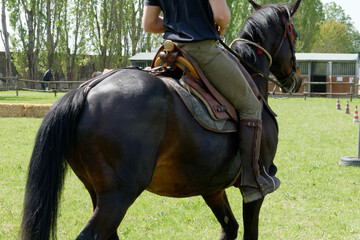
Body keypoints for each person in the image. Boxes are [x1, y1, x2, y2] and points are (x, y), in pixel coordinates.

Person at [142, 0, 280, 203]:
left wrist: (176, 24)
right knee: (250, 103)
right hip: (203, 51)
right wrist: (215, 27)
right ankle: (252, 180)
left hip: (170, 53)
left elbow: (149, 24)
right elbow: (222, 16)